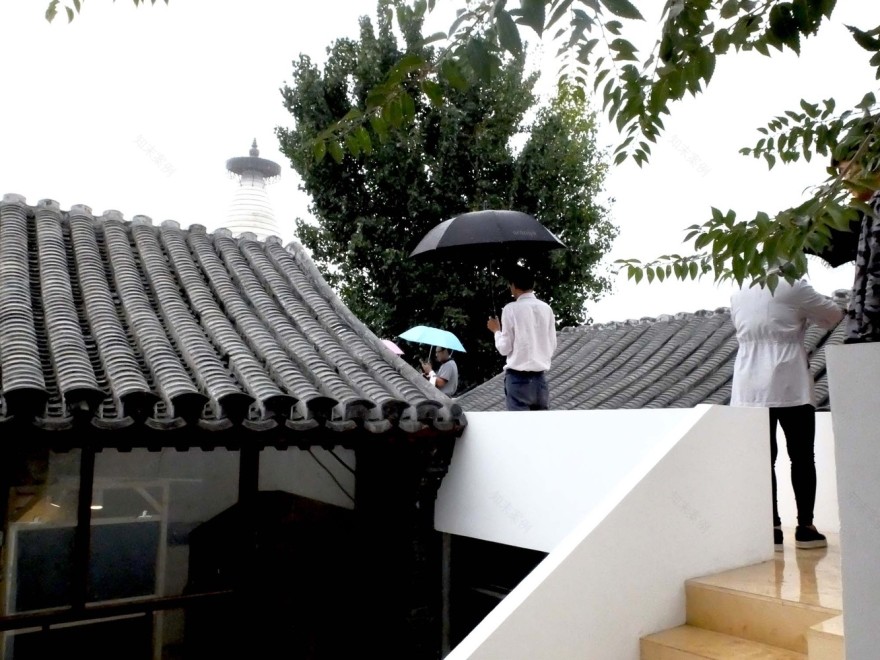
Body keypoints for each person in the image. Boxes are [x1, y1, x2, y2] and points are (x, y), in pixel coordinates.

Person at [730, 278, 844, 551]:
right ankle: (805, 527)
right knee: (802, 457)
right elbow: (832, 316)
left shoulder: (739, 291)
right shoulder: (794, 286)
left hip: (748, 386)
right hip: (789, 381)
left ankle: (772, 528)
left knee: (763, 460)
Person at [486, 264, 557, 411]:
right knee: (540, 428)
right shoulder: (546, 309)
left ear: (513, 286)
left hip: (518, 379)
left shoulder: (510, 309)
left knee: (519, 428)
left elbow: (504, 348)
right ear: (533, 284)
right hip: (540, 379)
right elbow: (552, 344)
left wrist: (496, 331)